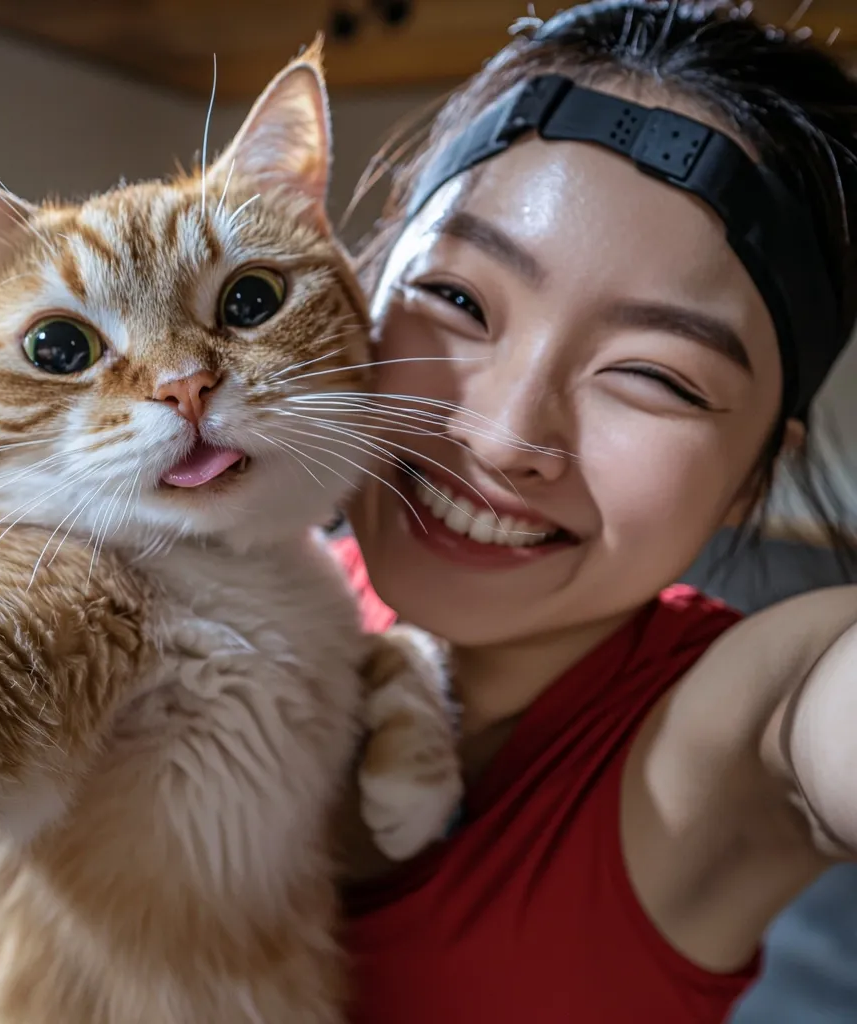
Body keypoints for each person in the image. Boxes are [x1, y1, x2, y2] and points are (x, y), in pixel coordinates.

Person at [328, 2, 857, 1021]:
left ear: (753, 469)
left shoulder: (724, 744)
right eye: (458, 300)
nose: (500, 438)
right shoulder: (254, 585)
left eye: (654, 375)